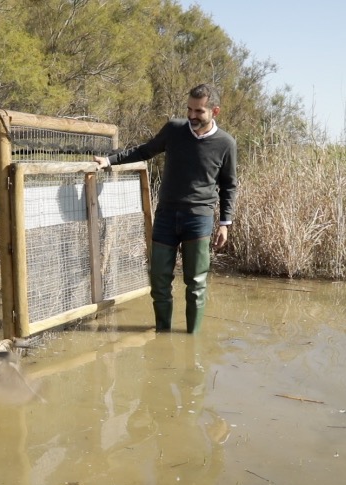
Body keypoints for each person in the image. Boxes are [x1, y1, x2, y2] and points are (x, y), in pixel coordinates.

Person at [94, 83, 238, 333]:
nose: (192, 115)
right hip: (166, 216)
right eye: (189, 109)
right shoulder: (174, 130)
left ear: (215, 111)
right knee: (159, 280)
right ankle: (163, 334)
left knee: (196, 283)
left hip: (199, 218)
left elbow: (229, 185)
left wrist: (225, 223)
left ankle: (192, 340)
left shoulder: (226, 143)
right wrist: (109, 160)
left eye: (199, 111)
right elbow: (145, 151)